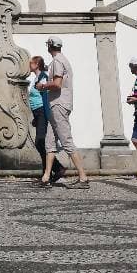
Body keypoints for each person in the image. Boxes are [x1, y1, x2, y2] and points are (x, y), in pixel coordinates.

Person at [38, 37, 89, 189]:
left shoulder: (58, 62)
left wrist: (43, 86)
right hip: (57, 105)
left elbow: (57, 84)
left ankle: (83, 177)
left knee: (66, 140)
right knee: (50, 142)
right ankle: (46, 177)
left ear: (50, 46)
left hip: (59, 105)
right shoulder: (61, 60)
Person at [27, 55, 51, 176]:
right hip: (37, 113)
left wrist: (45, 115)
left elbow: (46, 96)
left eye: (31, 63)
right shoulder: (36, 78)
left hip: (42, 112)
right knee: (40, 143)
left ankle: (55, 169)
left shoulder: (43, 77)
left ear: (36, 64)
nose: (29, 65)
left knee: (40, 142)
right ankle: (46, 173)